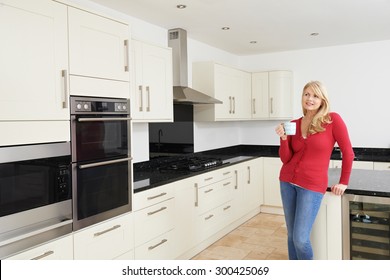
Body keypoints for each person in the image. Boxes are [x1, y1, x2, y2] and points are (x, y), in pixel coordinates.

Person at [274, 80, 354, 260]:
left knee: (301, 239)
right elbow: (286, 158)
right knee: (291, 236)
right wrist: (284, 138)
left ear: (322, 100)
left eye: (315, 95)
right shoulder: (294, 123)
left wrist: (343, 181)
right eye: (306, 94)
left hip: (311, 186)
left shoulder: (333, 120)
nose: (310, 99)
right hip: (287, 182)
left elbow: (348, 152)